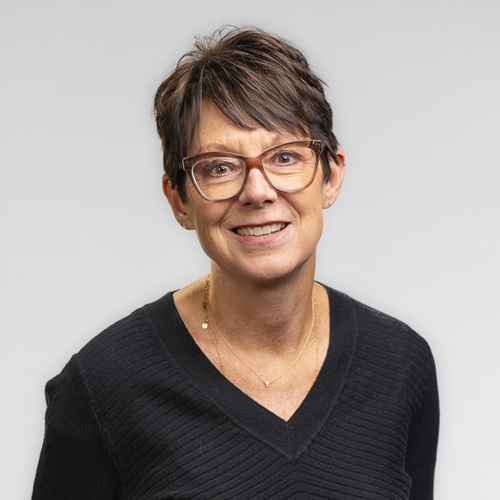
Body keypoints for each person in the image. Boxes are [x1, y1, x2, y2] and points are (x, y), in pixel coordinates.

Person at [32, 26, 439, 499]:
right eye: (220, 167)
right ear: (180, 201)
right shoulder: (103, 385)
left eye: (285, 157)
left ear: (331, 176)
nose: (258, 192)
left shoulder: (400, 365)